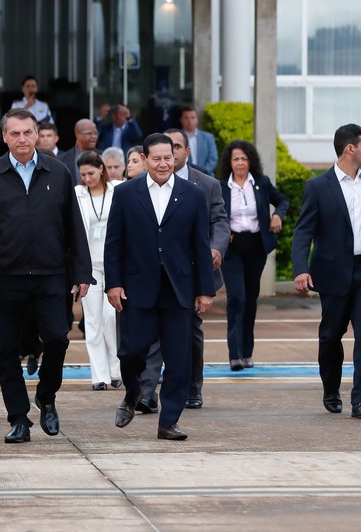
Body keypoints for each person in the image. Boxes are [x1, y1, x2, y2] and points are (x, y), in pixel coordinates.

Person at [0, 108, 93, 444]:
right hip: (7, 278)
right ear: (4, 138)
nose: (22, 139)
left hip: (51, 275)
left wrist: (82, 271)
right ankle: (18, 418)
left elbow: (74, 227)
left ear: (37, 134)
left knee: (57, 339)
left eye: (28, 132)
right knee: (7, 350)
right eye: (15, 133)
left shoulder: (59, 172)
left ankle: (46, 396)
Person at [106, 133, 215, 441]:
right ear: (144, 159)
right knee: (131, 353)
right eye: (157, 158)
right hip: (138, 287)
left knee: (179, 360)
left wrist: (205, 289)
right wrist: (113, 284)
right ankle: (132, 394)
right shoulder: (127, 193)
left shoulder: (192, 195)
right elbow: (114, 243)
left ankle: (168, 422)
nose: (164, 163)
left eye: (169, 157)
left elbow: (200, 245)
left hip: (178, 289)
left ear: (176, 157)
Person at [292, 123, 361, 420]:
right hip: (333, 274)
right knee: (330, 336)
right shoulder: (318, 186)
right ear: (349, 149)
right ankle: (331, 388)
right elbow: (304, 232)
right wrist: (301, 269)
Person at [137, 129, 229, 413]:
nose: (170, 155)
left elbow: (221, 222)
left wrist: (214, 249)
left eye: (176, 148)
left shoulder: (207, 184)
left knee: (189, 333)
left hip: (192, 270)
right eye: (165, 149)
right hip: (155, 271)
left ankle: (192, 387)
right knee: (152, 335)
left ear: (186, 152)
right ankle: (148, 391)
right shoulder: (143, 185)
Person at [218, 140, 288, 372]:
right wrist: (220, 232)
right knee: (236, 298)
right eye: (236, 158)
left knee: (250, 299)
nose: (240, 163)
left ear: (251, 162)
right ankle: (234, 354)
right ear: (230, 162)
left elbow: (282, 201)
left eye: (244, 159)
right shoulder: (220, 187)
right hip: (233, 247)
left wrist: (277, 215)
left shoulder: (261, 183)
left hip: (256, 246)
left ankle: (247, 352)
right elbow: (212, 214)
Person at [74, 151, 120, 391]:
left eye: (91, 173)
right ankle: (99, 375)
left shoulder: (118, 190)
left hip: (113, 262)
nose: (87, 179)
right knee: (92, 319)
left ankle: (115, 368)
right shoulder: (77, 194)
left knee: (110, 317)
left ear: (101, 169)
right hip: (88, 265)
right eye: (83, 175)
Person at [58, 119, 99, 185]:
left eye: (96, 133)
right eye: (89, 133)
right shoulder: (62, 160)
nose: (94, 136)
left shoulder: (102, 156)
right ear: (77, 134)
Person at [180, 106, 218, 175]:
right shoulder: (177, 137)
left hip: (206, 176)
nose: (190, 121)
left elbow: (213, 158)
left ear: (197, 119)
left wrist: (203, 173)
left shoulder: (208, 137)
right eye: (186, 118)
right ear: (181, 120)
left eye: (192, 118)